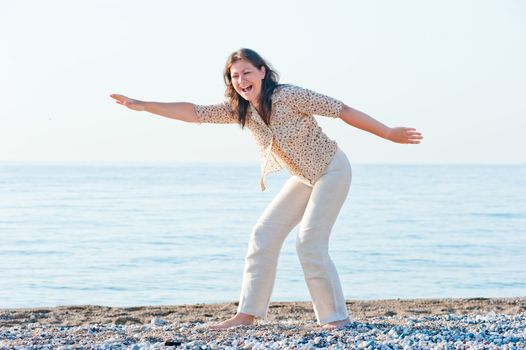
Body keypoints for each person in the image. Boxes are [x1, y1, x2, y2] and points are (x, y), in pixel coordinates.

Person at [110, 48, 423, 330]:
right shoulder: (241, 110)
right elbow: (195, 112)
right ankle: (247, 314)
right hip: (303, 178)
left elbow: (342, 109)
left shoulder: (289, 96)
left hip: (332, 169)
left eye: (247, 72)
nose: (242, 80)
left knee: (309, 243)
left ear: (262, 72)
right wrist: (143, 105)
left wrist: (387, 132)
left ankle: (335, 319)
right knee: (263, 234)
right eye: (235, 76)